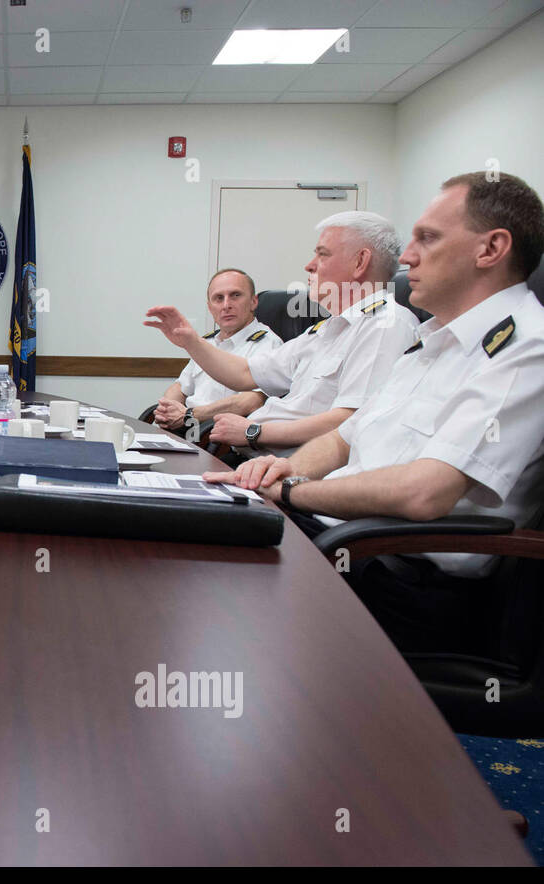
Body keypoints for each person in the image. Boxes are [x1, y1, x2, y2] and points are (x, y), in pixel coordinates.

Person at [204, 172, 544, 655]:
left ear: (490, 249)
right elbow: (349, 433)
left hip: (397, 572)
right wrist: (281, 468)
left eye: (427, 238)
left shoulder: (523, 347)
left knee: (203, 580)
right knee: (195, 523)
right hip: (343, 536)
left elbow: (425, 493)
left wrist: (293, 491)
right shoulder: (435, 340)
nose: (406, 257)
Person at [145, 212, 419, 457]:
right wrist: (190, 341)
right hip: (250, 454)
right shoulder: (323, 331)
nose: (309, 265)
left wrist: (254, 431)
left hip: (285, 466)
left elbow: (350, 420)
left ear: (360, 261)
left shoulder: (385, 325)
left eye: (322, 254)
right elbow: (244, 374)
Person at [151, 268, 279, 434]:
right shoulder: (207, 342)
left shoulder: (267, 344)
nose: (226, 305)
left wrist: (189, 415)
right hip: (188, 430)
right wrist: (167, 410)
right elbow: (180, 387)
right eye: (219, 298)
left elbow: (251, 401)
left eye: (235, 295)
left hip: (218, 437)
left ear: (253, 302)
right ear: (210, 308)